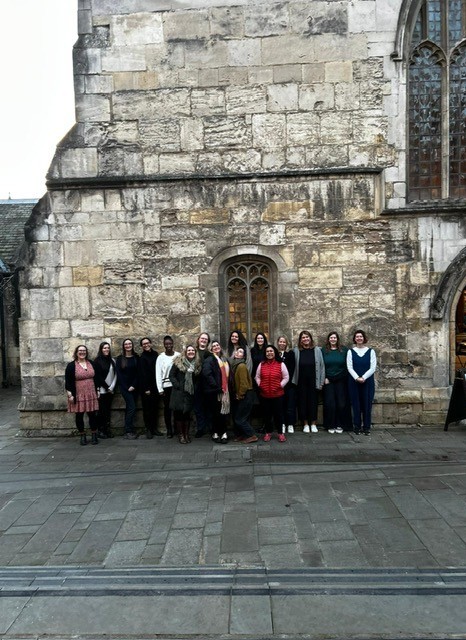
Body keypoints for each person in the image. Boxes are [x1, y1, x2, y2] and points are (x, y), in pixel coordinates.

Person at [65, 345, 99, 446]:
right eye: (80, 350)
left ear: (86, 352)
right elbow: (68, 381)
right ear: (76, 352)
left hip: (91, 393)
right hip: (78, 394)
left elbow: (96, 378)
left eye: (84, 350)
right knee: (79, 415)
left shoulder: (91, 363)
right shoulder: (71, 365)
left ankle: (94, 434)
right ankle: (82, 435)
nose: (82, 352)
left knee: (92, 414)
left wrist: (97, 390)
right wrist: (70, 395)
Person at [292, 331, 325, 434]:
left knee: (313, 402)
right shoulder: (296, 351)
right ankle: (305, 424)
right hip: (301, 381)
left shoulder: (317, 350)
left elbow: (322, 366)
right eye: (303, 337)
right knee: (302, 403)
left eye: (307, 337)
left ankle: (313, 423)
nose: (305, 339)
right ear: (300, 340)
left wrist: (321, 382)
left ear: (310, 338)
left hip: (313, 381)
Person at [255, 344, 289, 442]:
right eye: (267, 351)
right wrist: (260, 385)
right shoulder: (261, 364)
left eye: (271, 351)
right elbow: (257, 376)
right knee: (267, 415)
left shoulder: (281, 364)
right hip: (264, 395)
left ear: (274, 353)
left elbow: (286, 377)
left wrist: (280, 386)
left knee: (278, 415)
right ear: (265, 353)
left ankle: (280, 433)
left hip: (278, 395)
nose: (269, 353)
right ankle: (268, 432)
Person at [169, 345, 202, 444]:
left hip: (189, 393)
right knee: (179, 414)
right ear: (185, 352)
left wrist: (194, 387)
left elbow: (198, 379)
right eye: (189, 350)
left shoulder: (197, 364)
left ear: (195, 352)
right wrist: (178, 385)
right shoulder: (178, 362)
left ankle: (186, 434)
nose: (191, 352)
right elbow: (171, 375)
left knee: (187, 414)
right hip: (178, 393)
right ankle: (181, 435)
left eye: (193, 350)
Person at [347, 329, 377, 435]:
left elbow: (373, 367)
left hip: (367, 382)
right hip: (354, 382)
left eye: (361, 336)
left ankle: (366, 427)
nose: (359, 338)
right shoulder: (350, 352)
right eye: (357, 337)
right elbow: (349, 367)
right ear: (354, 339)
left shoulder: (371, 351)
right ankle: (357, 426)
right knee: (356, 404)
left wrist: (363, 377)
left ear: (364, 338)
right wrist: (357, 378)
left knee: (367, 405)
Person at [322, 331, 352, 434]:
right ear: (328, 339)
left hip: (341, 380)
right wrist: (324, 377)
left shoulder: (344, 350)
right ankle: (330, 425)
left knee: (341, 403)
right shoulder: (324, 350)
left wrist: (341, 377)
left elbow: (347, 365)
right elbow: (321, 365)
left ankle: (340, 424)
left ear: (337, 339)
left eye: (334, 338)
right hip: (328, 380)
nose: (333, 339)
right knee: (330, 404)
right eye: (331, 338)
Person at [202, 340, 230, 443]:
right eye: (213, 346)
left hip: (224, 391)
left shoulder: (223, 359)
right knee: (215, 413)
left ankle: (223, 433)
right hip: (215, 391)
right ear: (211, 349)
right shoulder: (210, 359)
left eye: (217, 345)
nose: (216, 347)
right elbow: (207, 374)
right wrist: (216, 386)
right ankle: (215, 432)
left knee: (223, 413)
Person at [230, 347, 258, 443]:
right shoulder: (235, 365)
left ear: (243, 356)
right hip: (242, 394)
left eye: (241, 352)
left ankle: (252, 435)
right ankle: (242, 435)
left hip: (246, 394)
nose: (238, 352)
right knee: (238, 417)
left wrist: (240, 394)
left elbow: (244, 384)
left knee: (240, 419)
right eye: (237, 351)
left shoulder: (241, 366)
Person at [155, 335, 180, 438]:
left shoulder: (178, 355)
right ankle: (169, 430)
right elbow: (158, 373)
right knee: (167, 409)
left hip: (176, 386)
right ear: (164, 345)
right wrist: (160, 389)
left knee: (177, 408)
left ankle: (177, 429)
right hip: (166, 386)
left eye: (170, 343)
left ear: (173, 344)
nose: (168, 345)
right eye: (166, 344)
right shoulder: (161, 357)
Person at [138, 337, 163, 439]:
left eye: (147, 343)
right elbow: (142, 374)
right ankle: (148, 429)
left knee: (155, 408)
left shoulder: (155, 354)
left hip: (155, 386)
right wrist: (146, 388)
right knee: (147, 409)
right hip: (146, 388)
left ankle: (154, 428)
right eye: (144, 344)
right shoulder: (142, 358)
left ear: (151, 344)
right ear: (142, 346)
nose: (146, 345)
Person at [115, 338, 139, 440]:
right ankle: (128, 431)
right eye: (126, 344)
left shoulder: (136, 357)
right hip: (124, 388)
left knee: (130, 408)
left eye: (129, 344)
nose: (128, 345)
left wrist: (133, 385)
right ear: (123, 346)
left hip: (135, 387)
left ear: (132, 345)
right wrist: (126, 387)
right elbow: (119, 374)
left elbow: (139, 373)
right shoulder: (120, 359)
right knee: (132, 407)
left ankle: (129, 429)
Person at [93, 341, 117, 439]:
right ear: (101, 349)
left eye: (108, 348)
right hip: (102, 390)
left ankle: (107, 430)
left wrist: (112, 387)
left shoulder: (113, 360)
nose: (106, 349)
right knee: (102, 411)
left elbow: (116, 375)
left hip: (111, 390)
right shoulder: (97, 361)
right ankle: (101, 430)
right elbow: (98, 377)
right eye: (104, 348)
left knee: (107, 411)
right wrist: (107, 388)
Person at [277, 335, 296, 434]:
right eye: (280, 341)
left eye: (284, 342)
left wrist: (286, 382)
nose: (282, 343)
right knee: (281, 406)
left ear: (286, 344)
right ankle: (282, 423)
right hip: (278, 385)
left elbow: (292, 369)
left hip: (289, 385)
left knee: (290, 405)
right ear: (278, 343)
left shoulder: (290, 354)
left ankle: (290, 424)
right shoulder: (275, 354)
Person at [193, 332, 211, 438]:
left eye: (206, 339)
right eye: (202, 338)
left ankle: (210, 427)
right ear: (198, 340)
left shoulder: (210, 353)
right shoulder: (194, 351)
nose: (203, 340)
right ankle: (200, 428)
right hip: (196, 383)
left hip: (207, 384)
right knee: (198, 408)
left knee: (208, 407)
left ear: (207, 342)